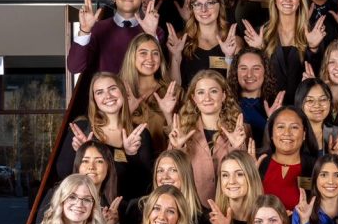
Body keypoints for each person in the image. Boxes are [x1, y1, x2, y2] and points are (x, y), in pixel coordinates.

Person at [56, 73, 154, 201]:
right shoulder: (82, 128)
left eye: (112, 88)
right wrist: (80, 152)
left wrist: (131, 154)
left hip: (124, 212)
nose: (108, 96)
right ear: (94, 100)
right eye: (99, 92)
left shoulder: (140, 134)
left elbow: (144, 187)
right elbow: (63, 174)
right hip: (87, 208)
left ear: (123, 92)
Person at [168, 70, 247, 207]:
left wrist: (237, 147)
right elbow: (168, 174)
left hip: (230, 206)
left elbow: (248, 174)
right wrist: (177, 149)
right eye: (201, 92)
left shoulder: (239, 130)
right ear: (194, 98)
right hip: (191, 207)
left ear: (223, 96)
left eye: (213, 91)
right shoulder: (182, 131)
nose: (207, 97)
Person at [244, 0, 326, 103]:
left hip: (304, 110)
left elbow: (322, 76)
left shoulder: (313, 33)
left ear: (299, 1)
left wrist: (313, 48)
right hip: (269, 109)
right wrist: (258, 51)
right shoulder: (260, 34)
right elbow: (251, 79)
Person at [67, 0, 163, 76]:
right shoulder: (97, 29)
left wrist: (151, 35)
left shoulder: (156, 31)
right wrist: (84, 30)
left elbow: (161, 73)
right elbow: (74, 67)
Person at [119, 33, 180, 153]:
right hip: (127, 162)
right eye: (143, 53)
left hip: (164, 163)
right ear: (132, 56)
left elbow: (183, 137)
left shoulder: (173, 91)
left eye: (155, 53)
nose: (150, 59)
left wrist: (168, 115)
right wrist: (127, 113)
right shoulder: (118, 91)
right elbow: (109, 132)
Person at [175, 0, 239, 90]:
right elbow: (173, 86)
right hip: (189, 104)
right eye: (198, 4)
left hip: (224, 104)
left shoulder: (233, 41)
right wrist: (175, 56)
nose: (203, 9)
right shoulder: (180, 40)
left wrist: (229, 57)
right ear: (192, 8)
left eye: (210, 3)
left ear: (220, 6)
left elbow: (236, 87)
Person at [258, 106, 317, 213]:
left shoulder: (314, 166)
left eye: (294, 127)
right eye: (280, 127)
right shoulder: (258, 162)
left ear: (304, 134)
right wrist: (249, 172)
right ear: (271, 133)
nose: (287, 133)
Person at [227, 48, 283, 148]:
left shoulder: (276, 105)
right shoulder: (226, 105)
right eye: (243, 68)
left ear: (265, 71)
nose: (249, 74)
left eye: (256, 68)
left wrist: (274, 120)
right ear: (236, 72)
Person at [294, 78, 338, 158]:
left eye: (323, 99)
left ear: (330, 102)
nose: (317, 105)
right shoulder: (291, 133)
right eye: (310, 100)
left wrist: (334, 159)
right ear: (300, 103)